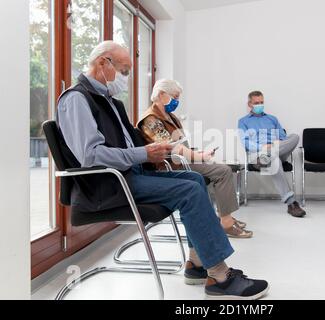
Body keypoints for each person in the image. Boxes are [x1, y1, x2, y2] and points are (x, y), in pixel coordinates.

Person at [56, 41, 269, 299]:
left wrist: (157, 150)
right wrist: (144, 153)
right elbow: (90, 156)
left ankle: (197, 262)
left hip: (131, 175)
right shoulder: (76, 100)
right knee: (189, 190)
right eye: (124, 71)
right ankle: (220, 276)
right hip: (107, 186)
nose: (126, 78)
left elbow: (131, 143)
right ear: (103, 63)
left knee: (194, 179)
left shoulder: (110, 102)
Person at [137, 79, 252, 239]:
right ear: (162, 95)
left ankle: (226, 217)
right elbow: (171, 147)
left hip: (181, 161)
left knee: (220, 166)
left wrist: (199, 153)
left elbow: (181, 144)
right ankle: (225, 222)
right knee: (223, 171)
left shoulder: (170, 117)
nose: (177, 101)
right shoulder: (150, 120)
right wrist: (199, 156)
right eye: (175, 96)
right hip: (169, 166)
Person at [238, 91, 306, 218]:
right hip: (258, 154)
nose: (260, 105)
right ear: (249, 104)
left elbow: (284, 137)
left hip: (277, 151)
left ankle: (266, 157)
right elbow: (245, 142)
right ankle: (291, 204)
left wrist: (276, 144)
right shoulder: (243, 122)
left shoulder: (272, 119)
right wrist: (262, 147)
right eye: (256, 103)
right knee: (274, 161)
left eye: (261, 102)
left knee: (295, 137)